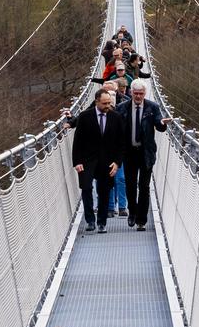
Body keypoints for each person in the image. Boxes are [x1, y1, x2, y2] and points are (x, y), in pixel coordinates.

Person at [68, 89, 125, 233]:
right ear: (96, 102)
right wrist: (77, 162)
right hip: (87, 160)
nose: (108, 105)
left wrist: (117, 163)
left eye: (109, 103)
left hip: (107, 161)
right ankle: (90, 221)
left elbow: (120, 143)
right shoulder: (84, 117)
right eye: (104, 103)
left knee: (104, 191)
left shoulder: (116, 117)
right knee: (86, 188)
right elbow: (77, 141)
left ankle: (102, 222)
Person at [115, 82, 169, 230]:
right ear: (131, 92)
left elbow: (159, 124)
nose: (138, 96)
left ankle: (141, 220)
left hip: (146, 153)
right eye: (135, 93)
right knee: (131, 185)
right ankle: (132, 212)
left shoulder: (153, 107)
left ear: (145, 93)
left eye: (141, 93)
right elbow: (115, 127)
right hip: (129, 152)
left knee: (144, 186)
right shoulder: (122, 108)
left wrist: (163, 124)